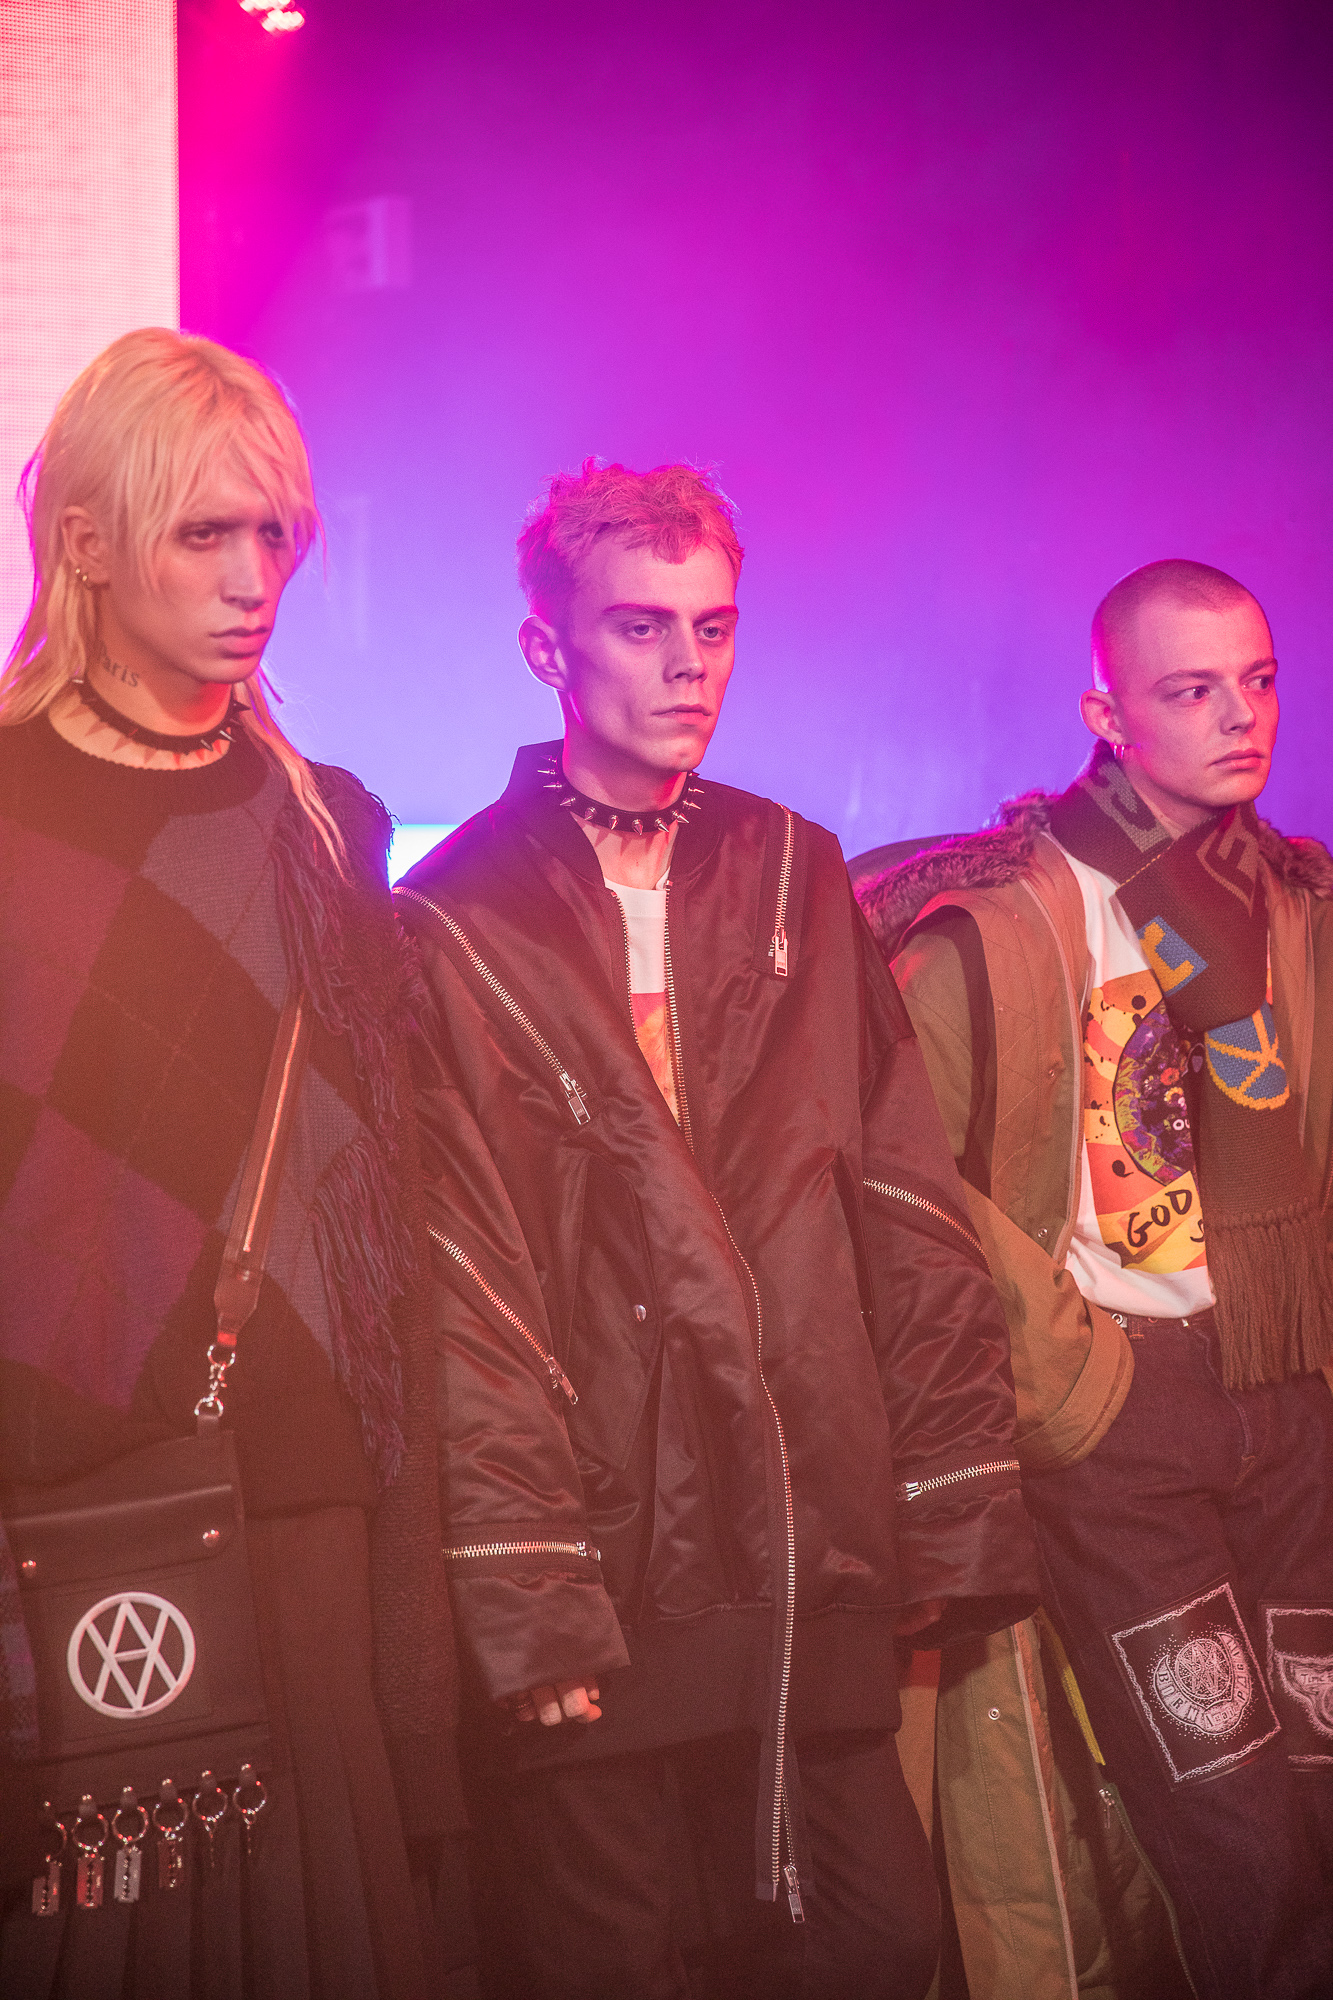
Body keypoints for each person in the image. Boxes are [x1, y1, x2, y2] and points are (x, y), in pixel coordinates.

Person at [397, 459, 1039, 2000]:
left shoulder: (794, 869)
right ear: (548, 647)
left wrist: (946, 1501)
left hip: (807, 1517)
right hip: (606, 1537)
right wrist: (527, 1586)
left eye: (713, 626)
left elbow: (902, 1198)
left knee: (876, 1940)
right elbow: (461, 1285)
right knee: (611, 1958)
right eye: (640, 627)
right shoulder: (451, 917)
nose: (688, 665)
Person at [0, 329, 461, 1998]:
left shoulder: (327, 820)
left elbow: (388, 1201)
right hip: (51, 1499)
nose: (254, 578)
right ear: (86, 541)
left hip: (302, 1485)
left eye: (275, 534)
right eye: (205, 533)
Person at [857, 559, 1333, 2000]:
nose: (1239, 716)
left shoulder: (1295, 900)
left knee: (1319, 1790)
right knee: (1230, 1823)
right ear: (1105, 713)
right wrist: (1074, 1381)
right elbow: (912, 1185)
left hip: (1285, 1388)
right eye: (1190, 690)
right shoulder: (993, 917)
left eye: (1257, 680)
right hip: (1121, 1409)